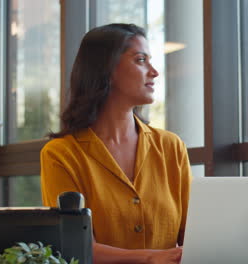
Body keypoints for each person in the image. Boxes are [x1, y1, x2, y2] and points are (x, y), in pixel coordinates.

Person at [40, 23, 192, 264]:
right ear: (107, 68)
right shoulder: (61, 154)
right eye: (141, 60)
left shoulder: (171, 147)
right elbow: (75, 246)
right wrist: (151, 258)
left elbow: (192, 238)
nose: (154, 71)